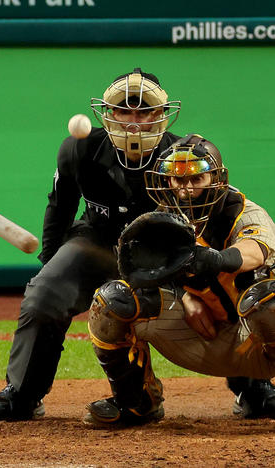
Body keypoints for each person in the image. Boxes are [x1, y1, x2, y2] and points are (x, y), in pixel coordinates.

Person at [0, 68, 183, 422]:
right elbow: (59, 208)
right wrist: (49, 266)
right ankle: (23, 394)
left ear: (160, 115)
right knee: (44, 296)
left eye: (143, 112)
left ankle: (254, 389)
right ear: (108, 114)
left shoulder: (182, 158)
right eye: (124, 111)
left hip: (164, 252)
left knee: (225, 293)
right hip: (97, 240)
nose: (134, 122)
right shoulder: (80, 148)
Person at [83, 134, 275, 426]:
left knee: (264, 299)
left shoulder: (243, 212)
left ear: (215, 179)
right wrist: (185, 296)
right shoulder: (163, 218)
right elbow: (147, 274)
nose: (185, 190)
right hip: (201, 334)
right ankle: (136, 401)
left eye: (195, 179)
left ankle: (256, 388)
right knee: (111, 302)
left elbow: (255, 251)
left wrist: (214, 259)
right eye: (177, 179)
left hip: (254, 339)